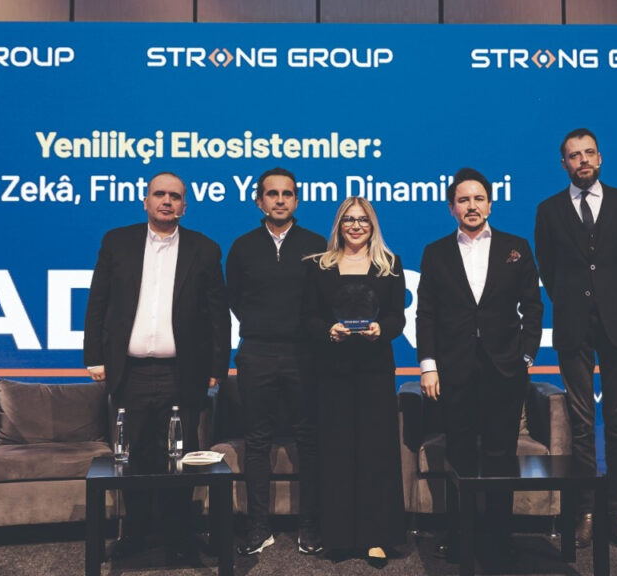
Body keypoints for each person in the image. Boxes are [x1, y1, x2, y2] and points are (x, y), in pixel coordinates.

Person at [83, 171, 231, 561]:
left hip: (182, 372)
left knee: (180, 457)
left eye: (175, 196)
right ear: (145, 200)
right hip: (129, 372)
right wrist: (94, 356)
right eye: (159, 194)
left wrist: (217, 366)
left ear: (185, 206)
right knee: (131, 456)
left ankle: (179, 535)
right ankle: (134, 533)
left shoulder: (205, 249)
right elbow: (98, 302)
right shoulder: (117, 242)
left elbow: (218, 315)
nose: (167, 201)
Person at [417, 168, 543, 560]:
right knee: (459, 453)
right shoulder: (436, 252)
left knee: (501, 455)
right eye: (463, 200)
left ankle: (499, 538)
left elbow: (534, 306)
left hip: (505, 369)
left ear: (490, 203)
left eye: (478, 199)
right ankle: (460, 536)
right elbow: (426, 314)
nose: (471, 206)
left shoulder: (516, 247)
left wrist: (526, 355)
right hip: (453, 370)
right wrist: (428, 365)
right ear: (452, 207)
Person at [534, 128, 617, 552]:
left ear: (600, 158)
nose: (582, 160)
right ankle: (583, 512)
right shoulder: (548, 210)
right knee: (580, 425)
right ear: (563, 164)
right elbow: (548, 269)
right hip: (573, 327)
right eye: (574, 155)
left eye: (588, 153)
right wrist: (574, 302)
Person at [226, 167, 327, 556]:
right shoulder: (242, 247)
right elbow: (235, 298)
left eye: (287, 194)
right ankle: (258, 526)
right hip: (257, 352)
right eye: (272, 194)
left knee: (309, 440)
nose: (280, 200)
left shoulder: (317, 244)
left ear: (296, 200)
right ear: (259, 201)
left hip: (305, 354)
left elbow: (322, 300)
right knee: (257, 441)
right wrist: (263, 327)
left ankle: (309, 525)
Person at [301, 197, 406, 568]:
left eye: (363, 220)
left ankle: (376, 538)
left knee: (375, 454)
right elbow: (308, 317)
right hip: (333, 372)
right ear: (339, 225)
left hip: (375, 371)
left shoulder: (390, 264)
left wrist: (382, 329)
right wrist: (328, 331)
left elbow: (397, 317)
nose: (356, 226)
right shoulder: (318, 266)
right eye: (349, 219)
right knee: (337, 453)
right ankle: (339, 537)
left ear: (372, 225)